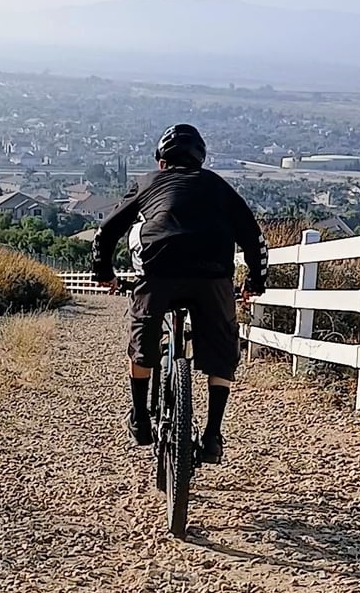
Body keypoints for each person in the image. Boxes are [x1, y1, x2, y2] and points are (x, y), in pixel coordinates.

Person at [91, 124, 268, 463]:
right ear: (200, 161)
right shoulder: (217, 185)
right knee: (222, 350)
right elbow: (253, 238)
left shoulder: (147, 183)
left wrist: (104, 273)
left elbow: (107, 231)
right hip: (212, 275)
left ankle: (140, 418)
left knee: (143, 344)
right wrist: (256, 282)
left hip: (159, 272)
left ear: (161, 163)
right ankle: (213, 435)